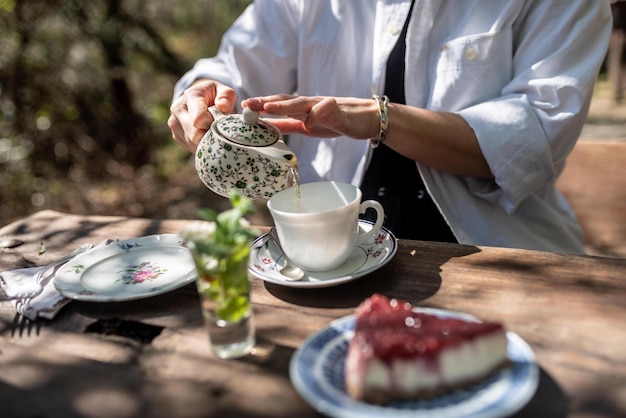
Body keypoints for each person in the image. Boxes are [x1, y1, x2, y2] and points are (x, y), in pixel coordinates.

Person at [168, 0, 612, 254]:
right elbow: (235, 65)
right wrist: (199, 94)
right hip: (324, 253)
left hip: (497, 250)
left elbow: (533, 138)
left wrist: (382, 118)